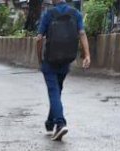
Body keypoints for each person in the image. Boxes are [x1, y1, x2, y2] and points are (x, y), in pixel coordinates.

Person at [36, 0, 91, 141]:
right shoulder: (76, 13)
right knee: (57, 92)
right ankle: (50, 123)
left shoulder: (48, 14)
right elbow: (82, 33)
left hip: (50, 60)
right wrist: (87, 55)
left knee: (54, 92)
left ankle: (60, 124)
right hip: (66, 60)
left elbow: (39, 39)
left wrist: (39, 59)